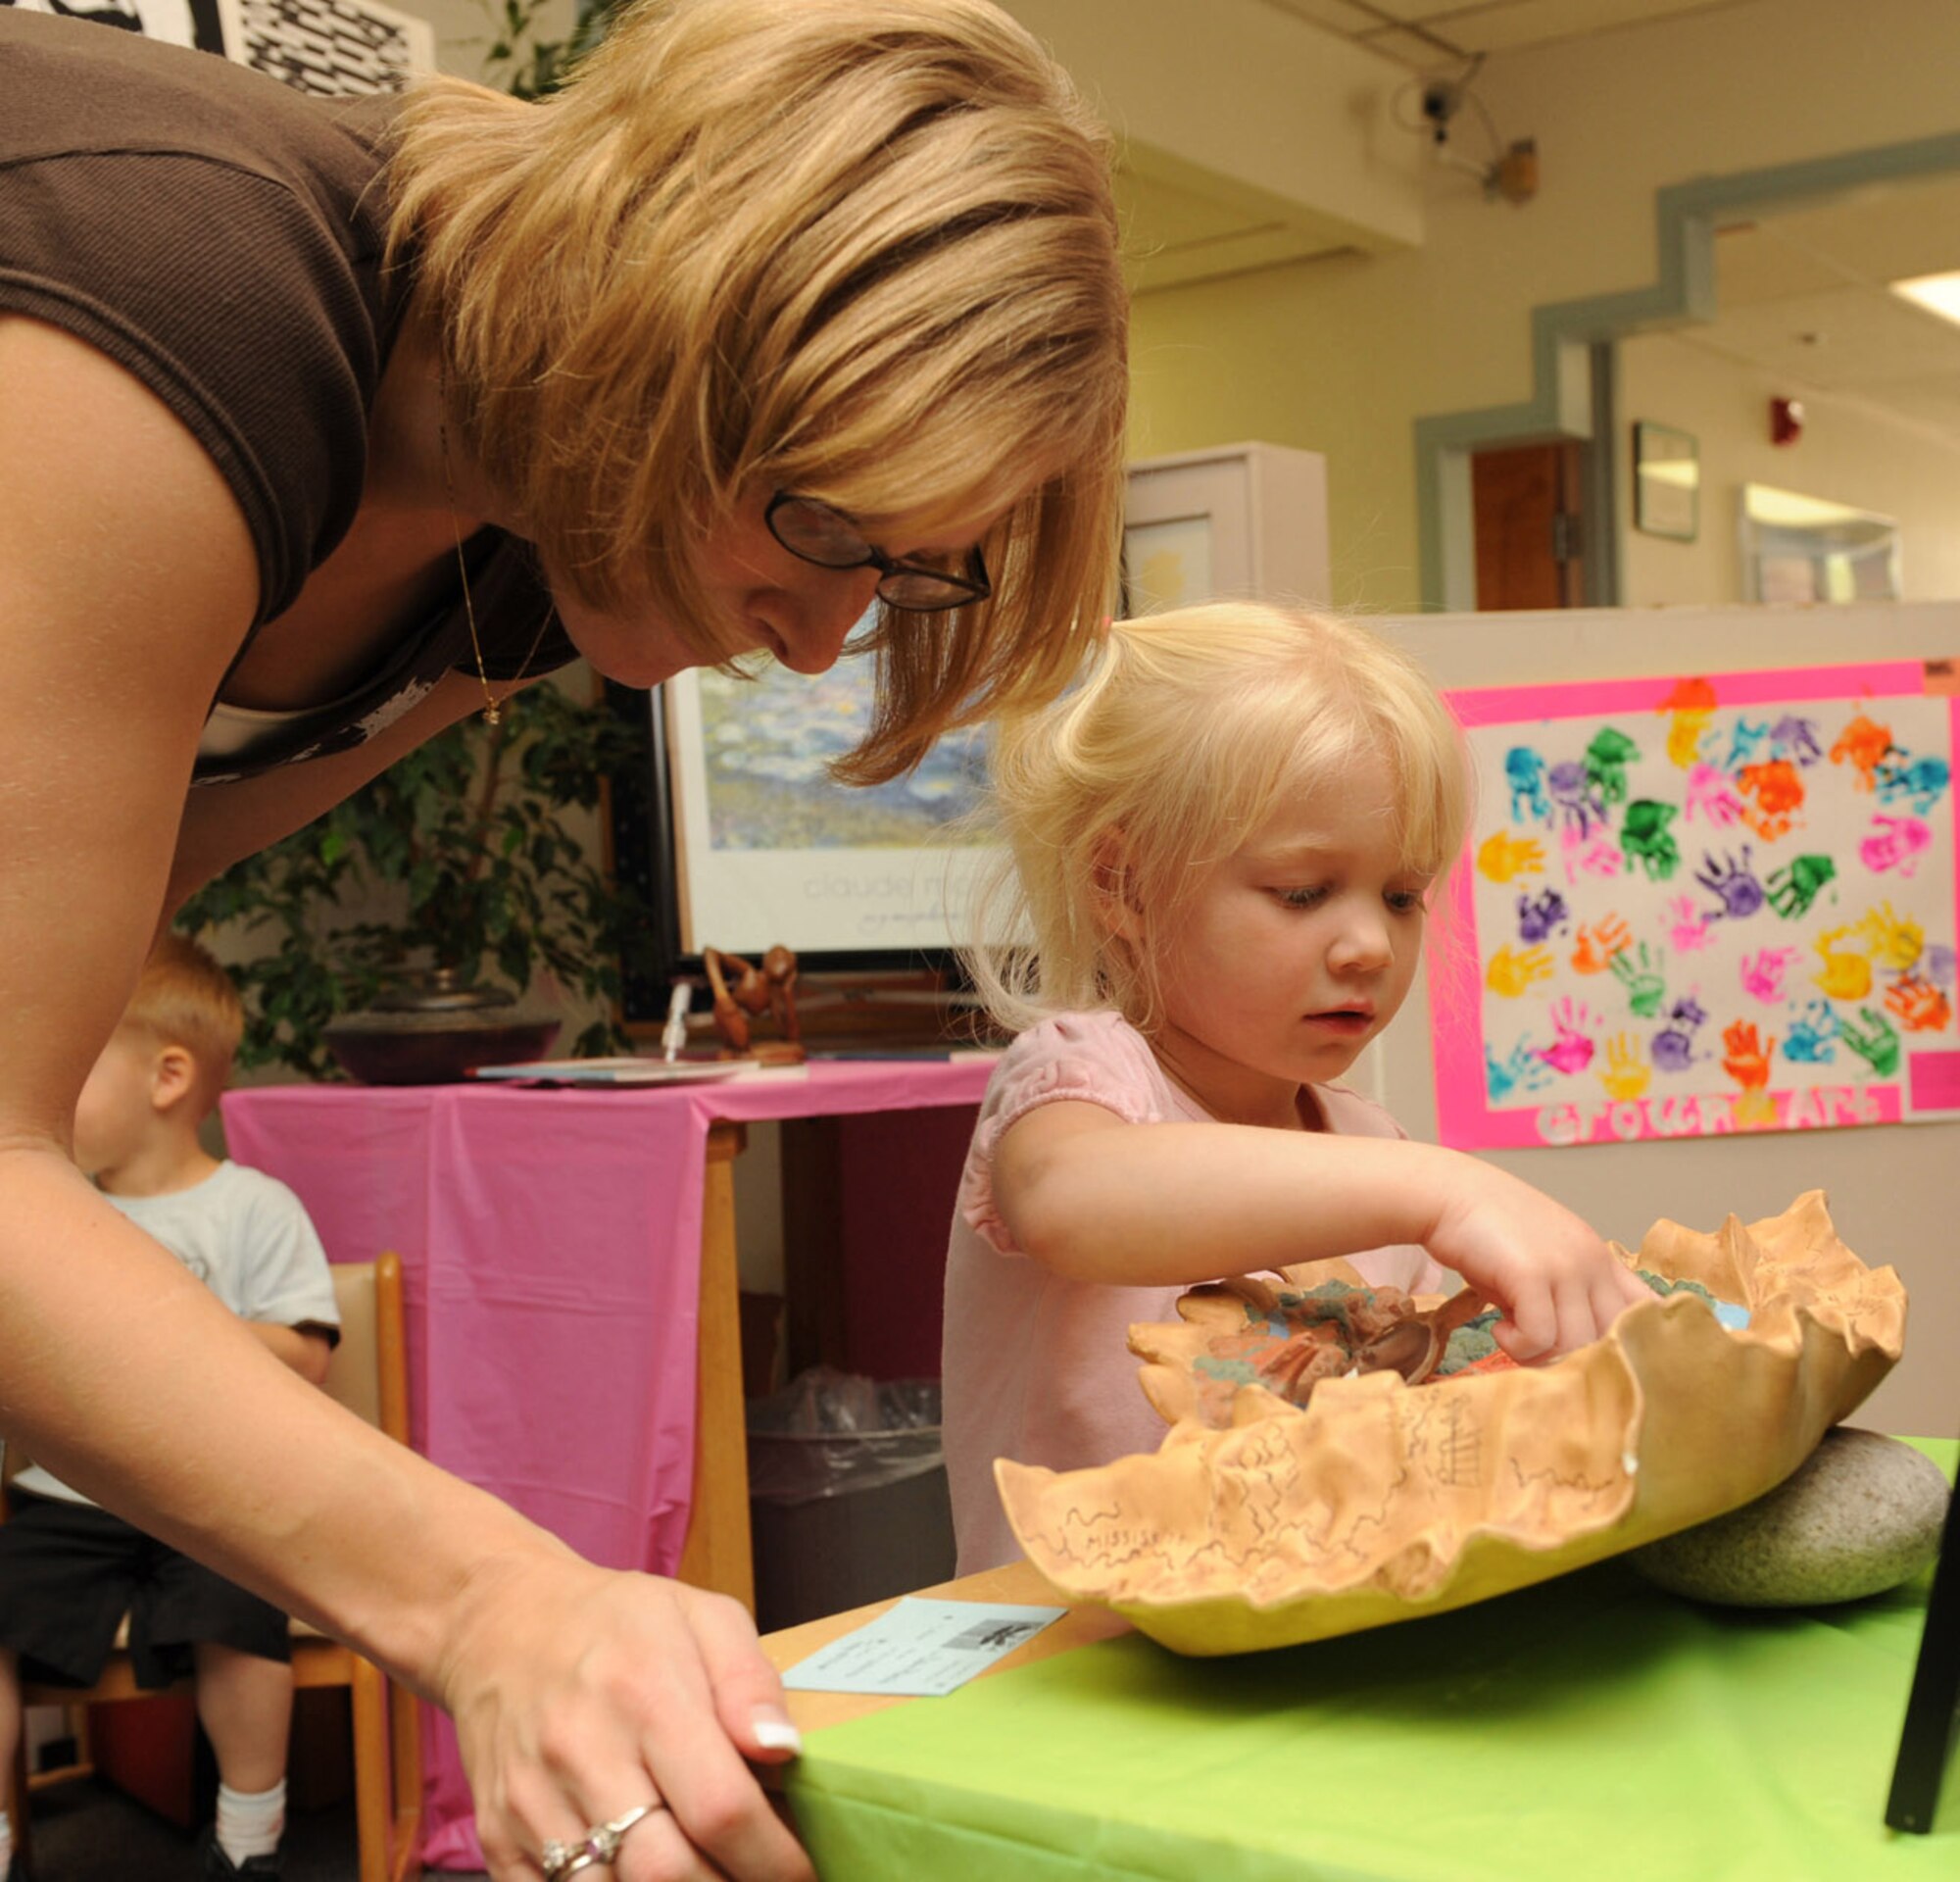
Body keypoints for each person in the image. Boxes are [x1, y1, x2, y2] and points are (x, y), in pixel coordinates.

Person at [0, 1, 1127, 1876]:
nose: (822, 636)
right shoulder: (187, 295)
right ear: (663, 322)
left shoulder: (523, 567)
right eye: (826, 522)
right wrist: (492, 1608)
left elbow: (117, 876)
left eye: (902, 569)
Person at [942, 603, 1651, 1572]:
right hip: (1073, 1669)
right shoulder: (1084, 1076)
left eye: (1401, 896)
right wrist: (1448, 1192)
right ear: (1125, 886)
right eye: (1302, 892)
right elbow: (1071, 1202)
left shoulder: (1372, 1153)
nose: (1369, 944)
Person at [0, 935, 342, 1881]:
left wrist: (170, 1330)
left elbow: (305, 1354)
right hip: (66, 1500)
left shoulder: (252, 1209)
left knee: (240, 1614)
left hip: (211, 1501)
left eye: (67, 1069)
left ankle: (246, 1840)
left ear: (168, 1077)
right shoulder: (54, 1213)